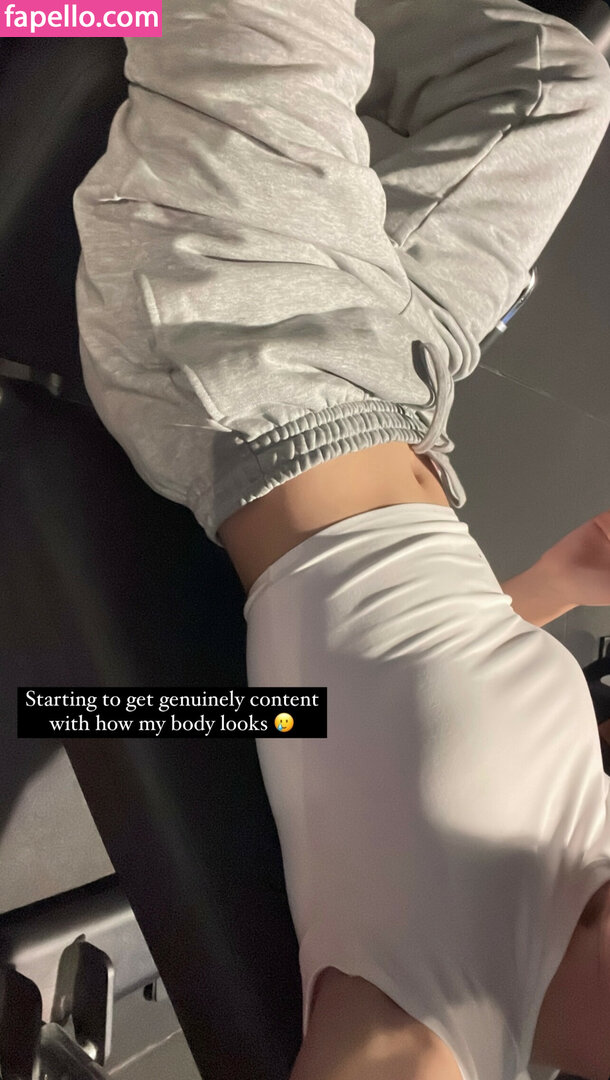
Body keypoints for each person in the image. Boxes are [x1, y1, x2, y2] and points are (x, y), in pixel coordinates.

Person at [72, 0, 610, 1076]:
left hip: (248, 353)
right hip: (405, 387)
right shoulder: (583, 869)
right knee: (555, 81)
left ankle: (64, 17)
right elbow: (401, 707)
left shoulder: (433, 1031)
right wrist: (559, 581)